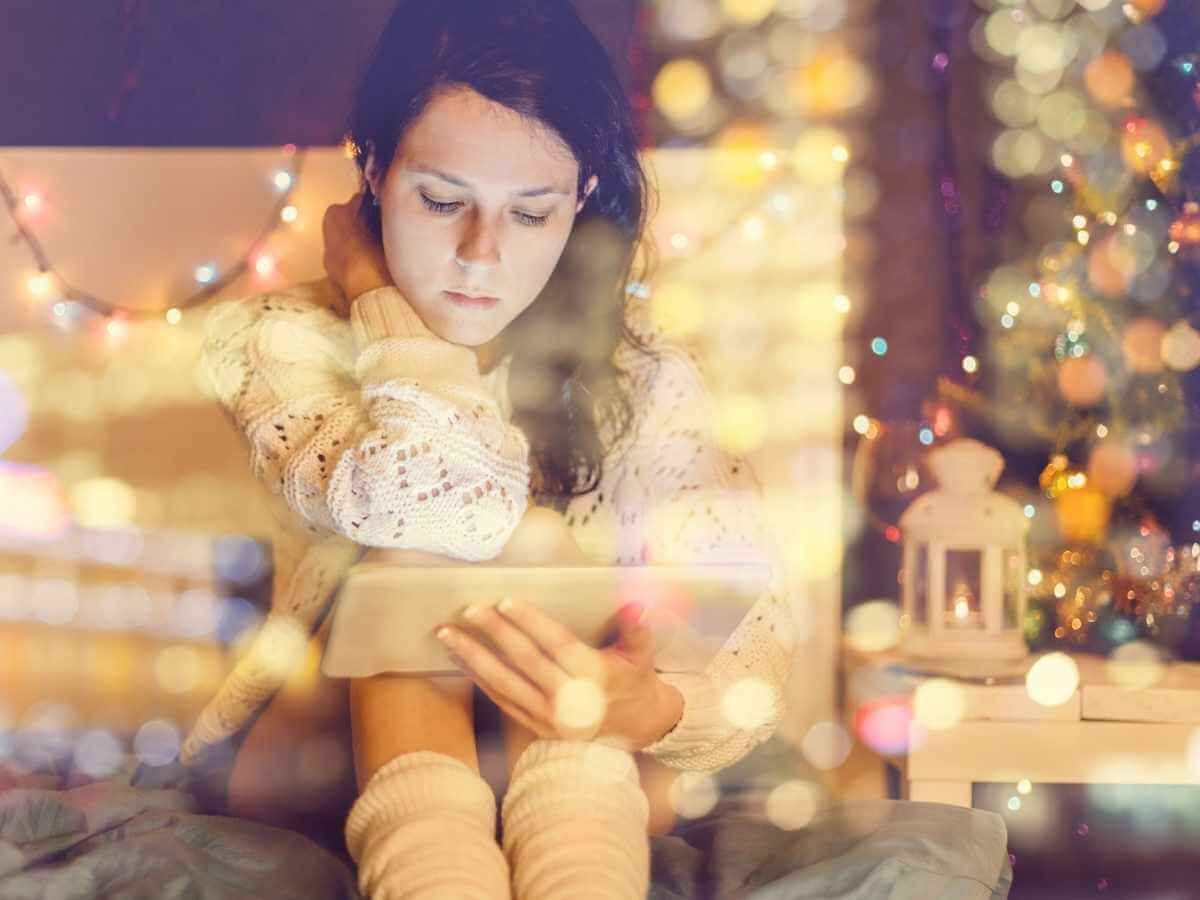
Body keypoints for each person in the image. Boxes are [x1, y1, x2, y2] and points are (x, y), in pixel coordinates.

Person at [182, 1, 1011, 898]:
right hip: (320, 757)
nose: (480, 256)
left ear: (578, 202)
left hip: (563, 758)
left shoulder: (645, 371)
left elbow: (755, 634)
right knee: (487, 551)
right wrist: (373, 294)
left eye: (529, 216)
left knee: (579, 614)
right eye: (442, 200)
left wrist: (644, 701)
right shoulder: (275, 339)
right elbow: (430, 499)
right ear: (373, 170)